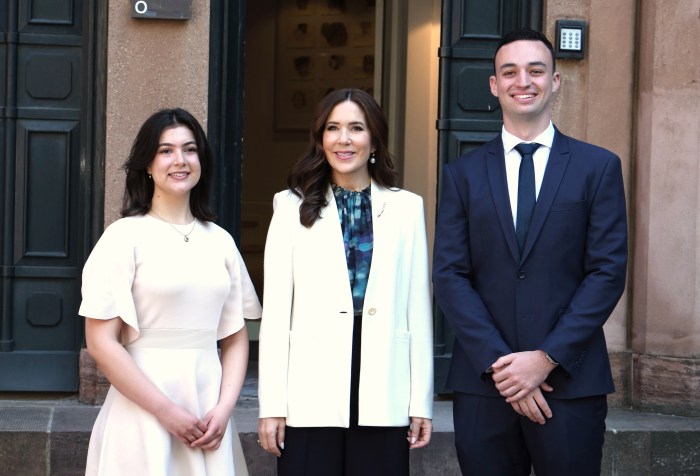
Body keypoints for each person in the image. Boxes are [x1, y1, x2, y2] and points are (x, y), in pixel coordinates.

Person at [432, 28, 628, 476]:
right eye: (510, 72)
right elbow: (450, 275)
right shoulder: (462, 174)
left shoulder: (597, 167)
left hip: (569, 382)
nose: (523, 81)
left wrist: (545, 359)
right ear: (494, 84)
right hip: (485, 384)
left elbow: (607, 272)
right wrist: (503, 367)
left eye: (535, 70)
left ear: (555, 80)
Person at [257, 88, 434, 475]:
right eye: (333, 128)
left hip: (384, 381)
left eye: (356, 128)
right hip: (310, 388)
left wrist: (421, 401)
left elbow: (418, 308)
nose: (344, 139)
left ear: (374, 139)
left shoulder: (407, 208)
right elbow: (276, 315)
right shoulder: (289, 206)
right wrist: (272, 406)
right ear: (320, 138)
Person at [81, 108, 262, 475]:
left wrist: (224, 409)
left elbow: (234, 337)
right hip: (142, 409)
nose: (180, 160)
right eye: (166, 151)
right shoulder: (123, 237)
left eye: (189, 149)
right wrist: (165, 411)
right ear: (148, 165)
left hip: (208, 410)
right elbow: (100, 342)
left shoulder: (221, 241)